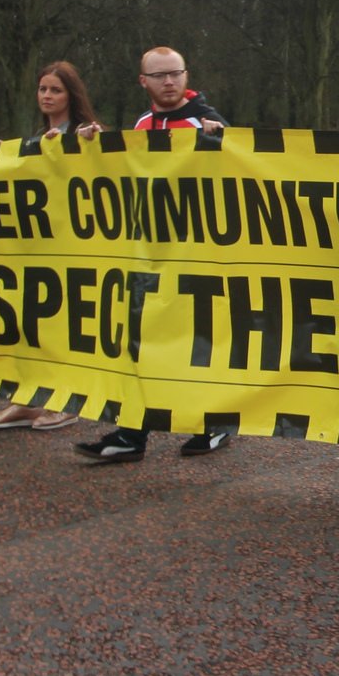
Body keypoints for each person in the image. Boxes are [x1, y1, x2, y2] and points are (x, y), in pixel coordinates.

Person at [74, 46, 232, 463]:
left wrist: (222, 143)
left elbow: (241, 172)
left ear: (186, 74)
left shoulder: (209, 121)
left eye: (175, 73)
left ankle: (212, 424)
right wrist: (92, 147)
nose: (169, 82)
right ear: (143, 81)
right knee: (140, 343)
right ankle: (131, 434)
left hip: (198, 255)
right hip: (150, 254)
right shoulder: (143, 123)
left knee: (198, 344)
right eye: (159, 75)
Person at [0, 61, 105, 432]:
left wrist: (89, 144)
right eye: (43, 90)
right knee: (31, 325)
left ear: (72, 95)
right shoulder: (36, 139)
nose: (47, 96)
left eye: (56, 90)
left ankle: (69, 399)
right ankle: (28, 400)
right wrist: (5, 156)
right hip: (34, 247)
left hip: (73, 249)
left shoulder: (85, 134)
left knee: (67, 326)